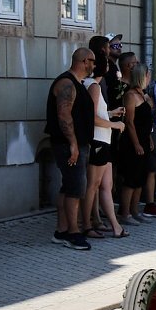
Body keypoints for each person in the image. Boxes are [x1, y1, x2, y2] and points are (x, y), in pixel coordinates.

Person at [45, 48, 95, 251]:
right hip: (68, 145)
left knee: (69, 186)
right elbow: (64, 116)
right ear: (83, 61)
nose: (94, 65)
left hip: (77, 143)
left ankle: (61, 230)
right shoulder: (67, 83)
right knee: (75, 187)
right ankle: (73, 233)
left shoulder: (78, 84)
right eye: (92, 61)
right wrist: (73, 144)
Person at [81, 48, 128, 238]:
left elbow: (97, 114)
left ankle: (115, 226)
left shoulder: (92, 85)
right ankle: (87, 224)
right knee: (93, 185)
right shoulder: (93, 86)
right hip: (98, 140)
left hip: (104, 139)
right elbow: (91, 118)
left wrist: (110, 114)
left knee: (106, 185)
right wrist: (115, 124)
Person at [118, 63, 156, 222]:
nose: (149, 78)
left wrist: (149, 139)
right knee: (131, 179)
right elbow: (130, 122)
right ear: (142, 76)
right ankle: (125, 213)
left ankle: (135, 211)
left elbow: (147, 121)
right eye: (148, 75)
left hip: (144, 139)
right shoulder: (131, 95)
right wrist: (137, 143)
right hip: (133, 142)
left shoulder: (142, 94)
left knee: (140, 178)